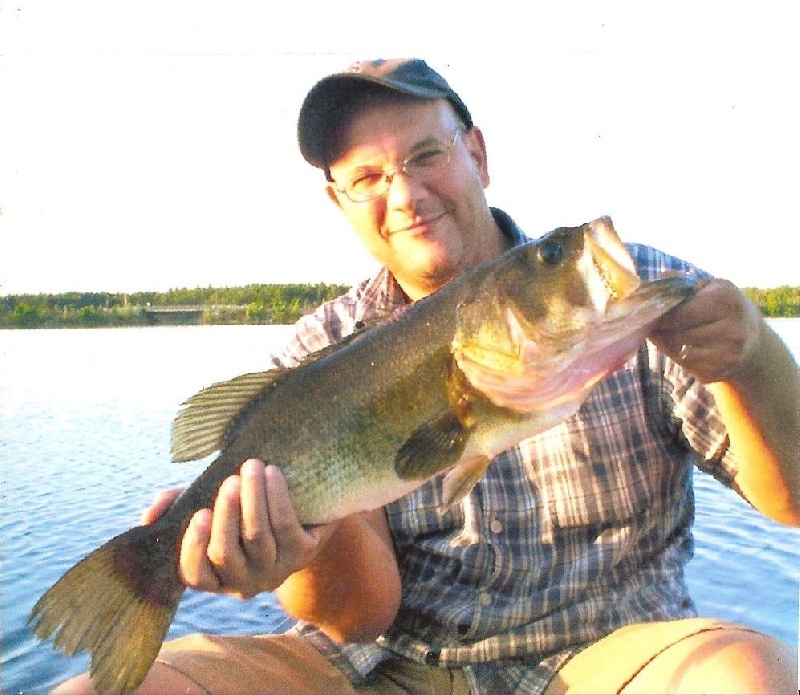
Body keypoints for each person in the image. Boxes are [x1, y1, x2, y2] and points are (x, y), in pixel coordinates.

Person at [56, 58, 799, 695]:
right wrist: (297, 548)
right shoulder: (322, 346)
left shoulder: (628, 288)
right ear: (337, 201)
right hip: (377, 664)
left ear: (476, 152)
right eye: (368, 177)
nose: (405, 196)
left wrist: (754, 361)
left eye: (424, 157)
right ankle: (140, 580)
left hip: (611, 653)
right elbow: (361, 615)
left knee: (746, 674)